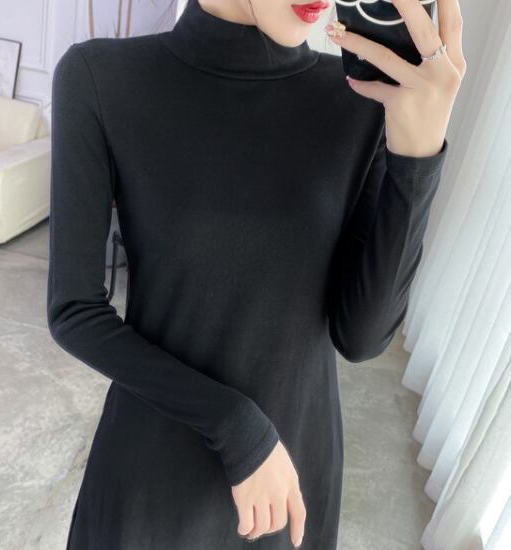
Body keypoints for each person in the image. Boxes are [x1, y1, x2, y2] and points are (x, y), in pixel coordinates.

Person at [46, 0, 465, 548]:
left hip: (293, 481)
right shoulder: (101, 78)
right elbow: (74, 311)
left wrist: (418, 157)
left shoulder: (360, 99)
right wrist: (236, 425)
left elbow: (362, 337)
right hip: (154, 481)